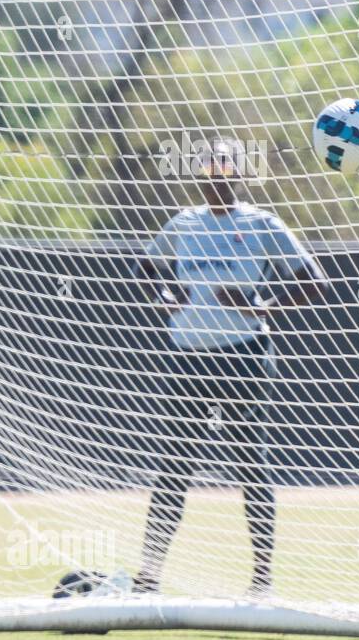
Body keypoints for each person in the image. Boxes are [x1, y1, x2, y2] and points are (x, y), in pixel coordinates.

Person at [135, 137, 331, 598]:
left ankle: (262, 579)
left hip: (243, 354)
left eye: (226, 172)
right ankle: (147, 577)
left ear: (239, 175)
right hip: (188, 358)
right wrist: (164, 296)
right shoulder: (183, 223)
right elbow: (145, 267)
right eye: (209, 173)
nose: (217, 180)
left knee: (248, 461)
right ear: (200, 177)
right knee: (174, 465)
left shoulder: (261, 223)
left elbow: (314, 279)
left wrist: (262, 306)